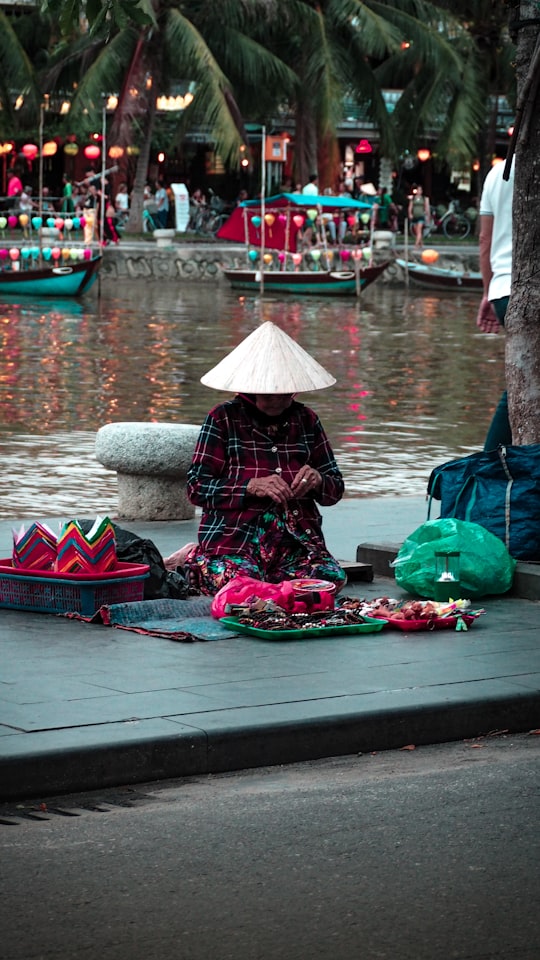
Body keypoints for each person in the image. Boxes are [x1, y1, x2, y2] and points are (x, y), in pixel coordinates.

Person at [164, 321, 347, 596]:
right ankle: (194, 560)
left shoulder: (306, 420)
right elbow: (196, 487)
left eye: (283, 394)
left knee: (328, 580)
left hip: (294, 540)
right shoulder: (222, 418)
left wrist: (318, 480)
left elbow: (335, 489)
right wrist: (249, 486)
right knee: (239, 587)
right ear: (250, 389)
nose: (276, 401)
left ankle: (268, 580)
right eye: (267, 394)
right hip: (236, 538)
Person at [478, 158, 514, 450]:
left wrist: (488, 292)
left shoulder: (496, 172)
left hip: (502, 291)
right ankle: (489, 465)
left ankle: (491, 464)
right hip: (525, 288)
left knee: (520, 379)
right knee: (519, 383)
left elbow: (485, 240)